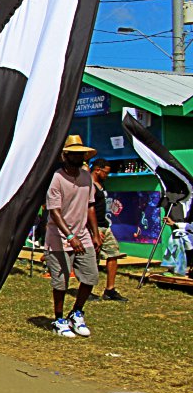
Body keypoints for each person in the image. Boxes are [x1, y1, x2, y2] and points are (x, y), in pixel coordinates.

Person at [45, 135, 102, 338]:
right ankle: (59, 318)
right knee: (61, 282)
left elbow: (90, 207)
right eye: (74, 154)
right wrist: (70, 236)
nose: (78, 158)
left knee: (90, 276)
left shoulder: (86, 177)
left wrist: (95, 234)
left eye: (81, 154)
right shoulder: (57, 179)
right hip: (59, 237)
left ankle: (77, 312)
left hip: (83, 234)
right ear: (66, 155)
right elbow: (55, 212)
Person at [90, 158, 128, 301]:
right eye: (106, 172)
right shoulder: (89, 186)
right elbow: (86, 210)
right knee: (92, 258)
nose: (107, 175)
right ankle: (86, 289)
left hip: (104, 226)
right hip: (94, 227)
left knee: (113, 254)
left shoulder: (101, 185)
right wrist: (94, 231)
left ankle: (110, 290)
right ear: (97, 170)